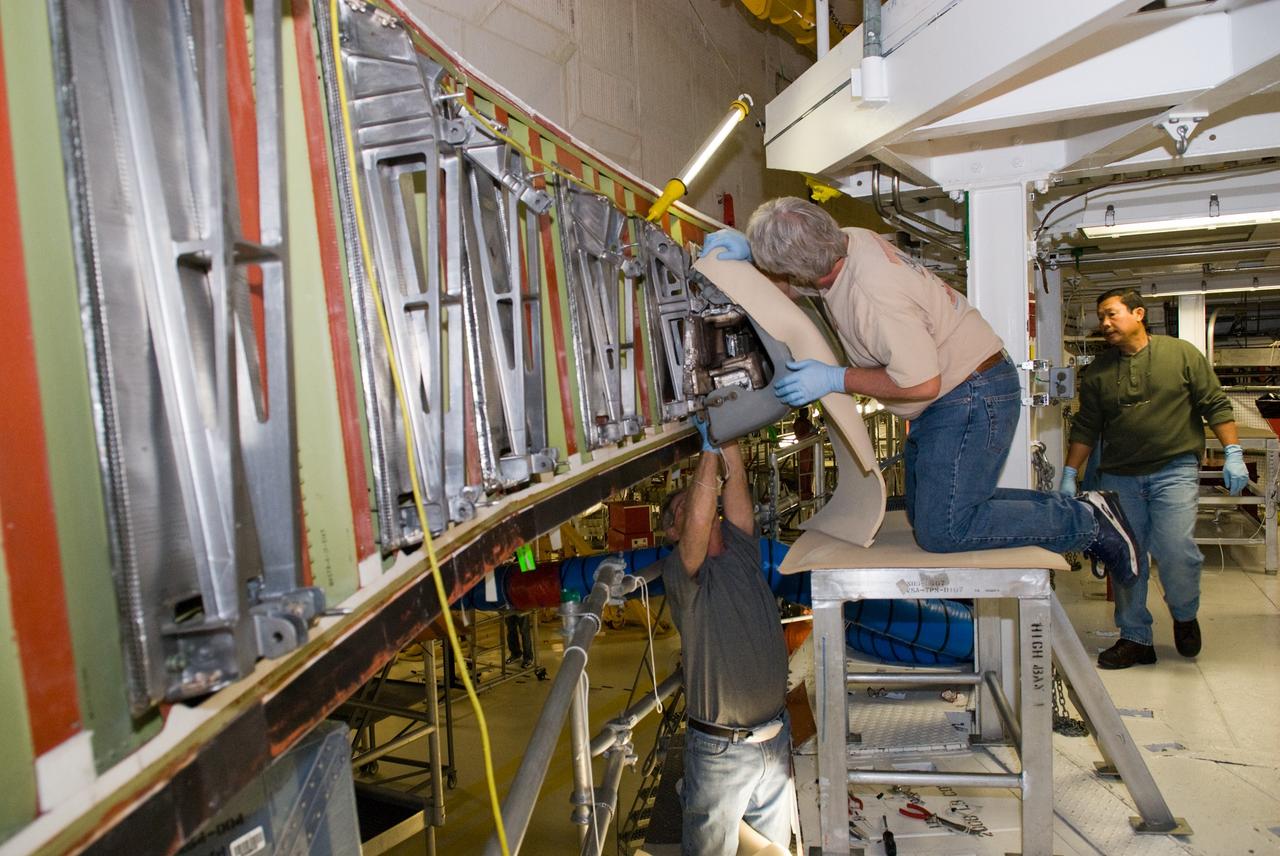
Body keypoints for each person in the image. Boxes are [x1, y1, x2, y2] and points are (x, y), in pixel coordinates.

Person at [702, 197, 1142, 582]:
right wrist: (751, 255)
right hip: (953, 391)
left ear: (803, 267)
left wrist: (835, 378)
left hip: (968, 393)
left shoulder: (875, 297)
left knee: (944, 530)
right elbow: (796, 286)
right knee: (935, 508)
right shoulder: (845, 239)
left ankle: (1088, 521)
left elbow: (919, 383)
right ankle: (1088, 509)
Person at [1060, 288, 1246, 669]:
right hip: (1119, 475)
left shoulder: (1180, 355)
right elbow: (1086, 426)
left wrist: (1233, 452)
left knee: (1176, 548)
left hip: (1173, 468)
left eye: (1112, 314)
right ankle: (1135, 637)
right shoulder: (1098, 371)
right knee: (1125, 556)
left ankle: (1183, 613)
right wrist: (1068, 473)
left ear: (1139, 313)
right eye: (1101, 317)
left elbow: (1214, 404)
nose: (1105, 323)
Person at [658, 416, 795, 855]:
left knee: (773, 849)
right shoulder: (683, 574)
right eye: (682, 511)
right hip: (722, 752)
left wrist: (729, 427)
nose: (696, 509)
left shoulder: (740, 550)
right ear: (673, 532)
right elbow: (701, 517)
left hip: (774, 741)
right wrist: (709, 452)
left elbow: (736, 501)